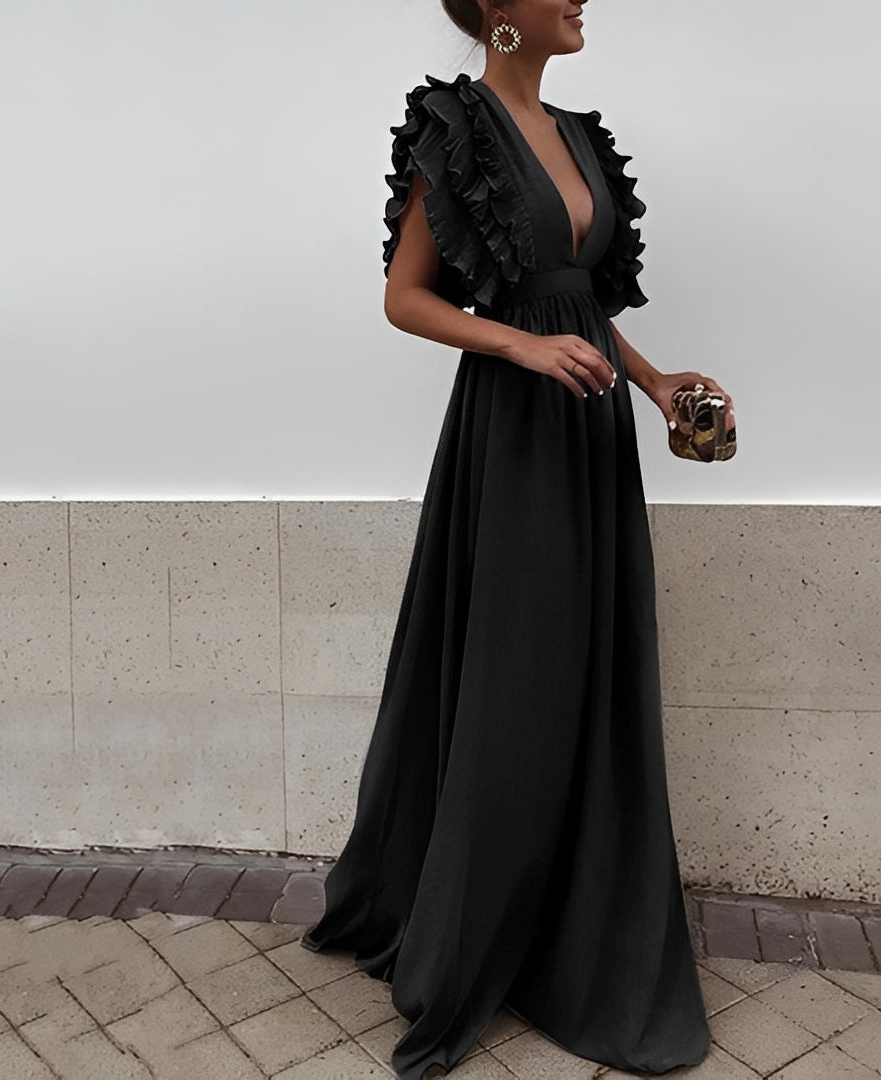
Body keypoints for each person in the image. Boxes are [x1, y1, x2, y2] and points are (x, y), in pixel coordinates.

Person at [300, 2, 734, 1077]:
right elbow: (406, 298)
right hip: (516, 438)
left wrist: (655, 382)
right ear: (499, 8)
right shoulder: (455, 127)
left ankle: (572, 930)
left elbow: (578, 300)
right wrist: (518, 349)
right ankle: (473, 939)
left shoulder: (581, 135)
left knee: (588, 669)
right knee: (519, 675)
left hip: (594, 434)